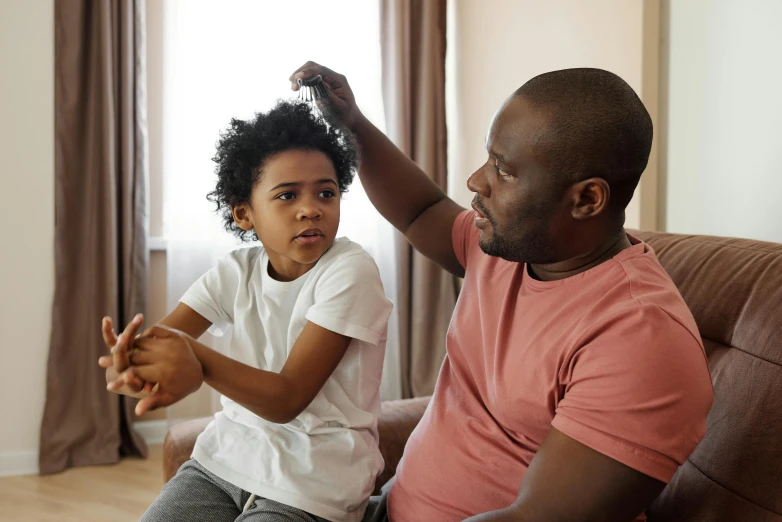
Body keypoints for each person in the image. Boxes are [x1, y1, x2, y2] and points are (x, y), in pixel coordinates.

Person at [282, 63, 712, 522]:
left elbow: (535, 518)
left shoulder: (639, 340)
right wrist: (352, 124)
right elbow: (421, 211)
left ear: (587, 199)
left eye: (503, 170)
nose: (476, 182)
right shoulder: (510, 247)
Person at [98, 100, 394, 522]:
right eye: (287, 195)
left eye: (326, 192)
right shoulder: (235, 271)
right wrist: (128, 366)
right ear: (244, 214)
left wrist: (195, 359)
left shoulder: (351, 270)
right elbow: (161, 346)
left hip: (315, 482)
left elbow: (288, 398)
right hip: (223, 463)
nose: (310, 208)